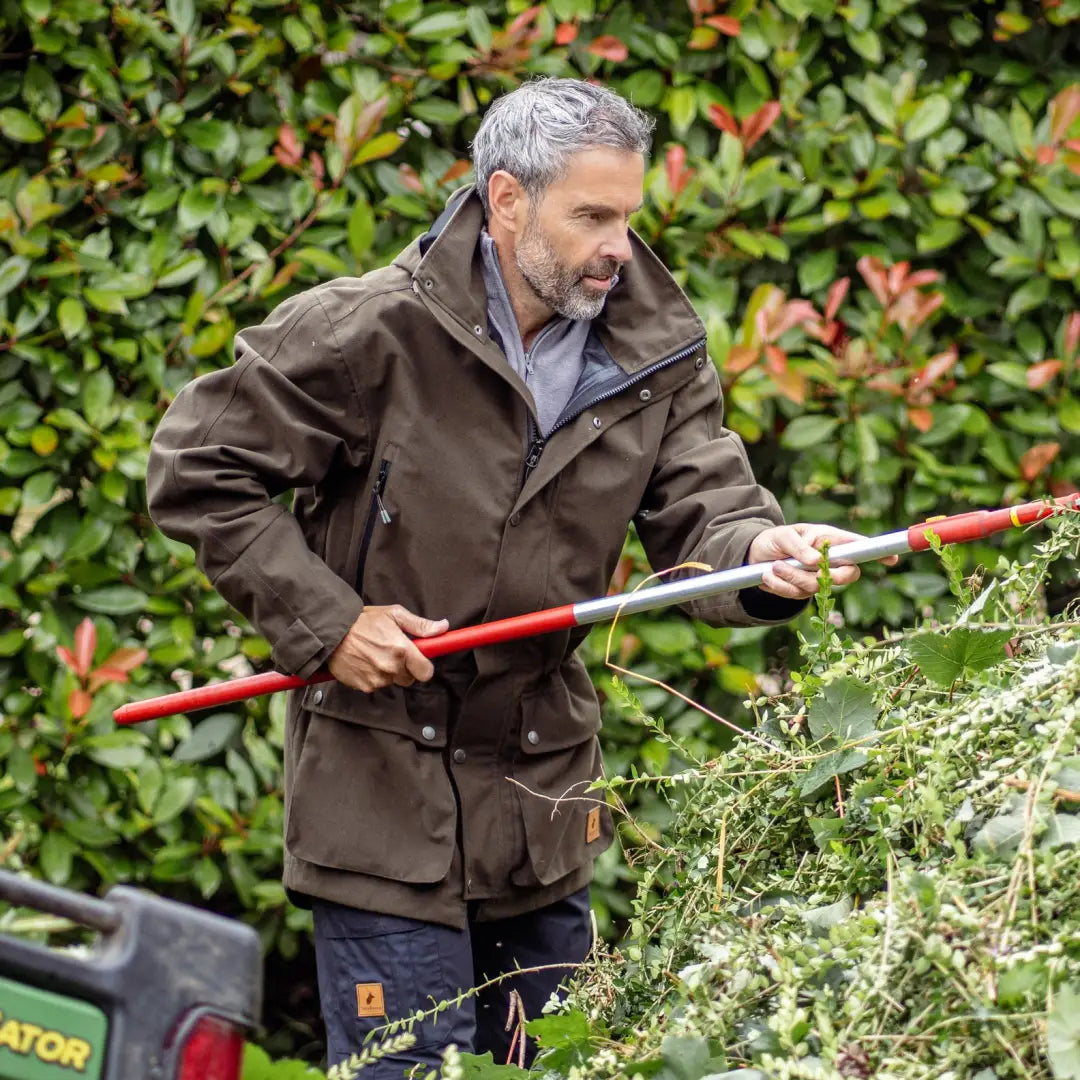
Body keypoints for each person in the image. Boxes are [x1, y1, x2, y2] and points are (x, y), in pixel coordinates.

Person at [146, 78, 894, 1074]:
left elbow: (706, 510)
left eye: (627, 215)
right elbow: (198, 471)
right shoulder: (368, 332)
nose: (619, 245)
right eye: (592, 216)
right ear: (505, 202)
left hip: (541, 806)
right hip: (378, 807)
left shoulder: (656, 355)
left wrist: (761, 553)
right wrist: (331, 624)